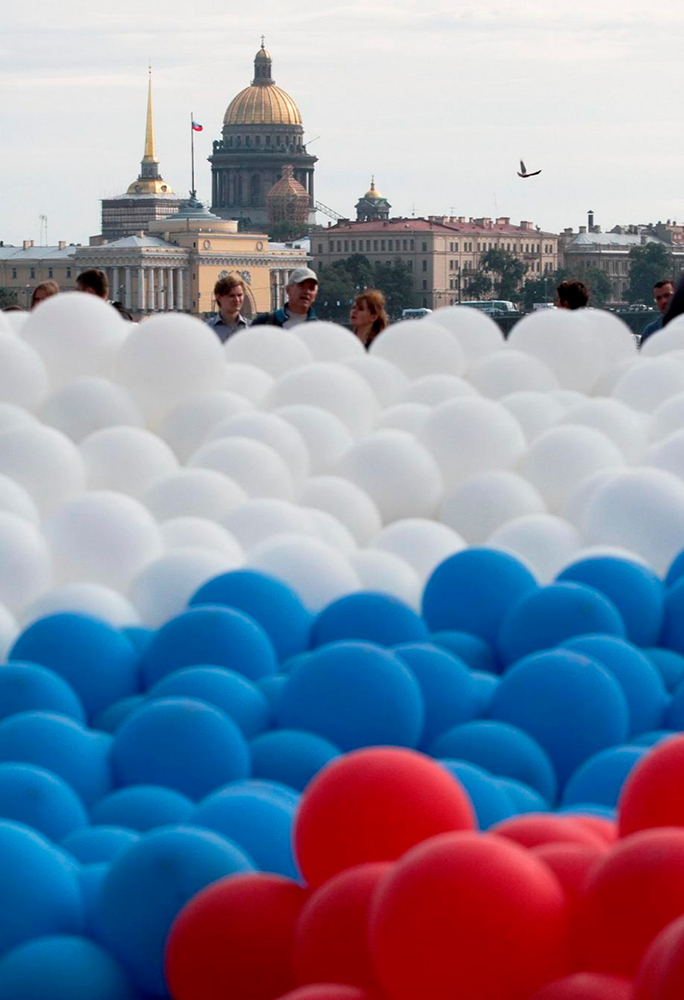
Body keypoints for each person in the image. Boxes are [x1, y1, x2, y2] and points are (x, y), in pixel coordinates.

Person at [251, 267, 318, 328]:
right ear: (288, 290)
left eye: (311, 288)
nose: (307, 292)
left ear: (315, 295)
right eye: (301, 286)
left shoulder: (318, 329)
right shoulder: (264, 323)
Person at [206, 275, 249, 343]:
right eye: (232, 296)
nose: (237, 299)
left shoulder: (250, 328)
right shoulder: (208, 330)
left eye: (240, 295)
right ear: (218, 297)